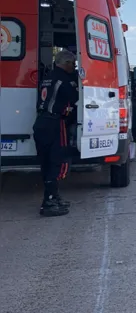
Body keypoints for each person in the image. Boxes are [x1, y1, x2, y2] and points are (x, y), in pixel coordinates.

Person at [33, 50, 78, 217]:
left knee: (46, 162)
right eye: (72, 64)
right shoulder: (64, 80)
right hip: (55, 123)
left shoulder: (47, 77)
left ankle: (54, 196)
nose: (73, 68)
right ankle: (49, 201)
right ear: (65, 64)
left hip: (40, 122)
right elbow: (75, 99)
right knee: (57, 162)